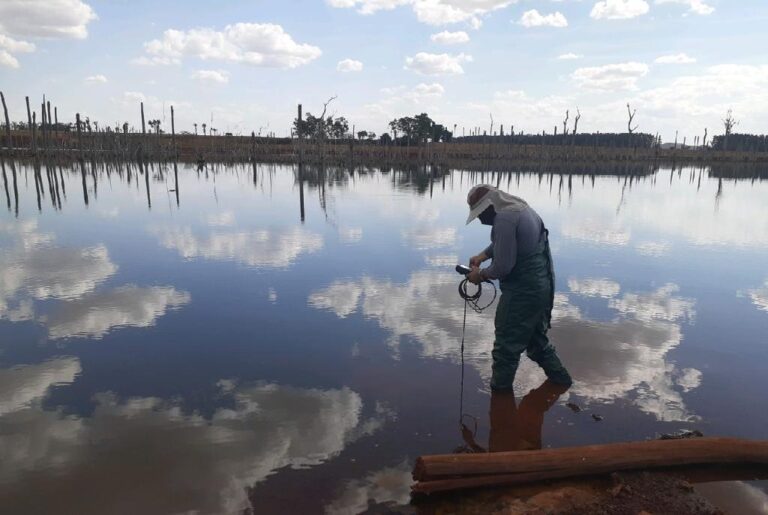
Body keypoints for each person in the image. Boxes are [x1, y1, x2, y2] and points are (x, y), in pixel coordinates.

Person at [465, 184, 572, 390]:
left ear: (489, 206)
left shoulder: (504, 219)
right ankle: (562, 383)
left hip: (522, 294)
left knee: (505, 349)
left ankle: (499, 399)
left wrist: (480, 275)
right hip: (542, 287)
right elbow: (509, 243)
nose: (479, 219)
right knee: (537, 343)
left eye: (479, 214)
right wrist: (483, 256)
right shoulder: (521, 209)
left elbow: (503, 267)